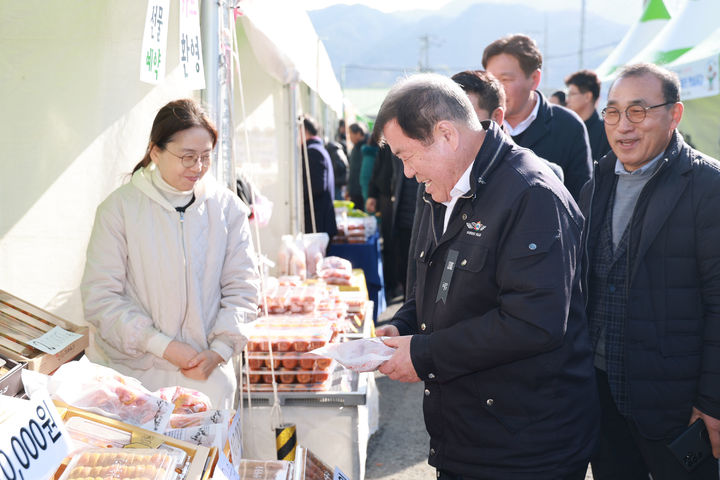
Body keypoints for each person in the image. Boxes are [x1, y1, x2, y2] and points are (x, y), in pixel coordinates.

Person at [374, 73, 599, 479]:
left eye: (407, 156)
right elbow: (431, 284)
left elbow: (533, 323)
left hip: (525, 446)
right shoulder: (440, 187)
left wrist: (423, 353)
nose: (406, 173)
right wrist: (403, 327)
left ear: (446, 135)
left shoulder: (531, 193)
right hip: (466, 435)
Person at [579, 63, 720, 480]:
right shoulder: (596, 183)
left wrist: (712, 401)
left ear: (674, 115)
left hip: (676, 402)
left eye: (638, 112)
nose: (623, 126)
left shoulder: (707, 187)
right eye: (613, 112)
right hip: (601, 395)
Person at [81, 99, 260, 409]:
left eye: (205, 157)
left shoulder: (227, 208)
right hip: (134, 381)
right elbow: (101, 296)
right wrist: (160, 345)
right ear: (156, 152)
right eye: (187, 157)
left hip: (207, 377)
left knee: (207, 456)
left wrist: (219, 349)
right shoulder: (120, 209)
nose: (198, 168)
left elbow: (242, 288)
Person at [483, 34, 592, 200]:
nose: (496, 89)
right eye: (491, 80)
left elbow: (581, 198)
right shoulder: (479, 125)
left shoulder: (568, 127)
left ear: (534, 79)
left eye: (505, 79)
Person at [300, 114, 337, 238]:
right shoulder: (318, 148)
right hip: (320, 221)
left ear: (304, 131)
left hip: (317, 222)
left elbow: (316, 186)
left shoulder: (312, 151)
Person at [565, 69, 611, 161]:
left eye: (572, 94)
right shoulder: (566, 131)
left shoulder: (607, 133)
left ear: (588, 97)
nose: (567, 100)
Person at [347, 122, 368, 210]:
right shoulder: (355, 148)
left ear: (359, 133)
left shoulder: (367, 148)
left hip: (362, 192)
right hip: (354, 191)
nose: (349, 137)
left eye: (351, 133)